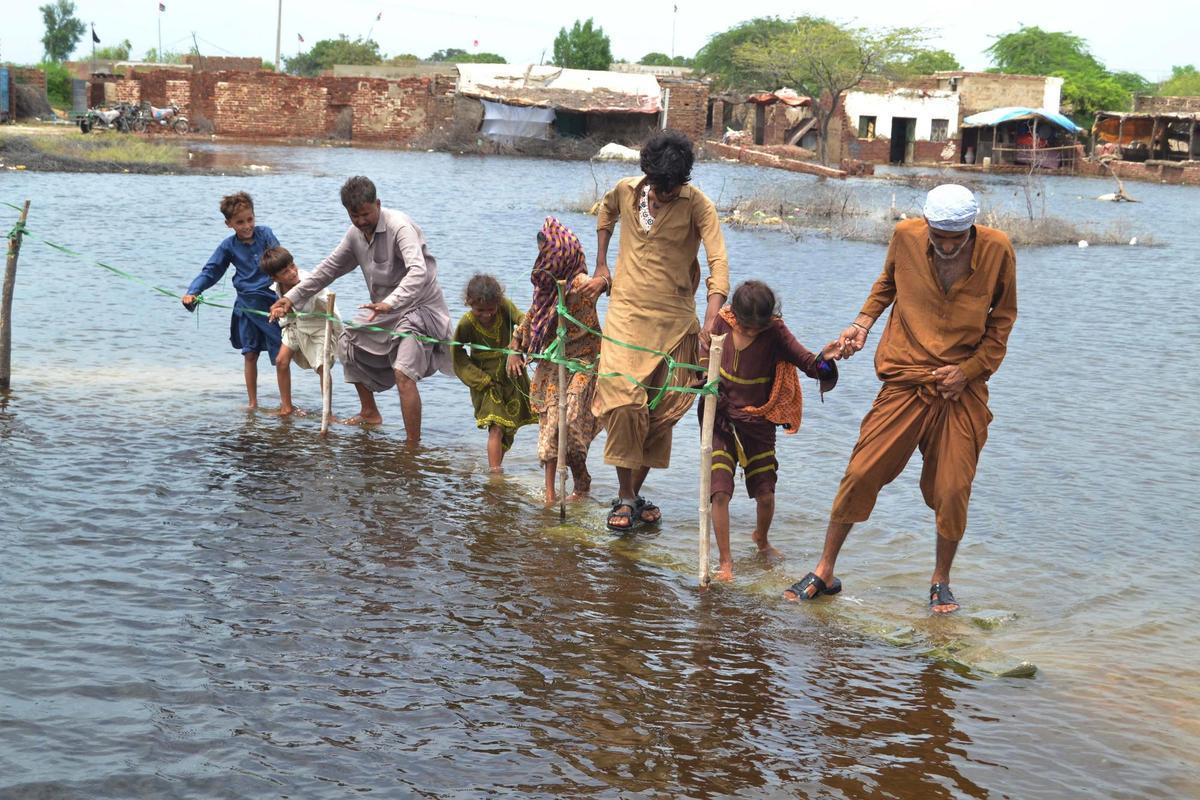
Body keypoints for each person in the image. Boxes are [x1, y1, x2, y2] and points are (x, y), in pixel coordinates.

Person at [785, 184, 1018, 614]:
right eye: (939, 236)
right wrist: (862, 322)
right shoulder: (906, 236)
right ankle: (825, 569)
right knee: (860, 472)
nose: (946, 246)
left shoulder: (998, 250)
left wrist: (967, 372)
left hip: (960, 386)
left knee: (951, 489)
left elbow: (1002, 322)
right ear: (927, 225)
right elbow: (887, 282)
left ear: (971, 229)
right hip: (905, 376)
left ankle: (940, 580)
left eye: (956, 238)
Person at [580, 129, 730, 532]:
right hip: (626, 317)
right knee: (625, 404)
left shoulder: (699, 205)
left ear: (683, 181)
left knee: (659, 417)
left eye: (672, 186)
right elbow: (604, 213)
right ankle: (627, 496)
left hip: (676, 324)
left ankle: (628, 497)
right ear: (647, 175)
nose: (664, 193)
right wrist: (601, 265)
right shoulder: (626, 192)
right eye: (658, 185)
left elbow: (719, 265)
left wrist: (713, 318)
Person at [268, 176, 453, 444]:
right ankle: (369, 412)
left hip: (419, 309)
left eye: (366, 214)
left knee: (403, 372)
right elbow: (328, 269)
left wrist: (391, 301)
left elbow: (418, 272)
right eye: (355, 216)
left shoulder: (399, 226)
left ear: (377, 204)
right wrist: (292, 298)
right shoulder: (355, 234)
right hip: (383, 310)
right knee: (347, 342)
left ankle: (412, 446)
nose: (361, 221)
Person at [701, 281, 842, 582]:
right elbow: (701, 361)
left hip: (757, 425)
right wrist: (699, 380)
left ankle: (761, 539)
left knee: (765, 494)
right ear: (735, 315)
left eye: (757, 329)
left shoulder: (775, 332)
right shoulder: (721, 323)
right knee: (720, 492)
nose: (751, 332)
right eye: (746, 327)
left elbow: (808, 364)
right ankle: (726, 562)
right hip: (721, 420)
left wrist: (826, 359)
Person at [508, 218, 602, 506]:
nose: (541, 263)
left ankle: (581, 480)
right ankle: (550, 495)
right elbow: (531, 319)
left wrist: (605, 281)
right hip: (553, 364)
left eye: (546, 256)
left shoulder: (581, 284)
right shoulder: (545, 290)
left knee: (570, 419)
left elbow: (608, 287)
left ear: (560, 257)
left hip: (583, 361)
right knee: (550, 427)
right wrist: (515, 347)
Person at [181, 191, 282, 409]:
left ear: (254, 216)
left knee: (281, 356)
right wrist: (193, 291)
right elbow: (211, 271)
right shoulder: (228, 246)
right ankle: (253, 403)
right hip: (246, 306)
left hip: (271, 304)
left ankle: (286, 404)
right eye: (240, 222)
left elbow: (281, 262)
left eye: (250, 220)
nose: (246, 226)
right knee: (250, 353)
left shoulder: (266, 235)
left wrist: (292, 294)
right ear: (229, 224)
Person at [452, 273, 536, 472]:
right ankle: (495, 474)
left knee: (509, 427)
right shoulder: (466, 323)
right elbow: (457, 354)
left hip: (511, 376)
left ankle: (496, 465)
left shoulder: (505, 307)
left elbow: (525, 321)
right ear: (469, 303)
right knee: (496, 426)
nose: (486, 314)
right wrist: (479, 379)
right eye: (480, 310)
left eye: (491, 309)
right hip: (487, 383)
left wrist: (516, 348)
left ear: (498, 302)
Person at [260, 245, 342, 417]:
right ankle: (286, 406)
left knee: (322, 367)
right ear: (275, 278)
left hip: (318, 325)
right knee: (281, 361)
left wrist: (284, 309)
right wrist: (279, 311)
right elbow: (289, 311)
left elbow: (306, 306)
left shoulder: (308, 281)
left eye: (292, 266)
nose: (292, 272)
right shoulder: (278, 287)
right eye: (285, 271)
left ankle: (328, 413)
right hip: (295, 325)